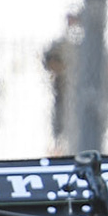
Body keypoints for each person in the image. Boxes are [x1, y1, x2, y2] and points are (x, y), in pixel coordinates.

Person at [43, 11, 81, 153]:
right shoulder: (59, 44)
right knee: (59, 128)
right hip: (62, 90)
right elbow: (49, 62)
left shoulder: (83, 45)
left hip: (79, 94)